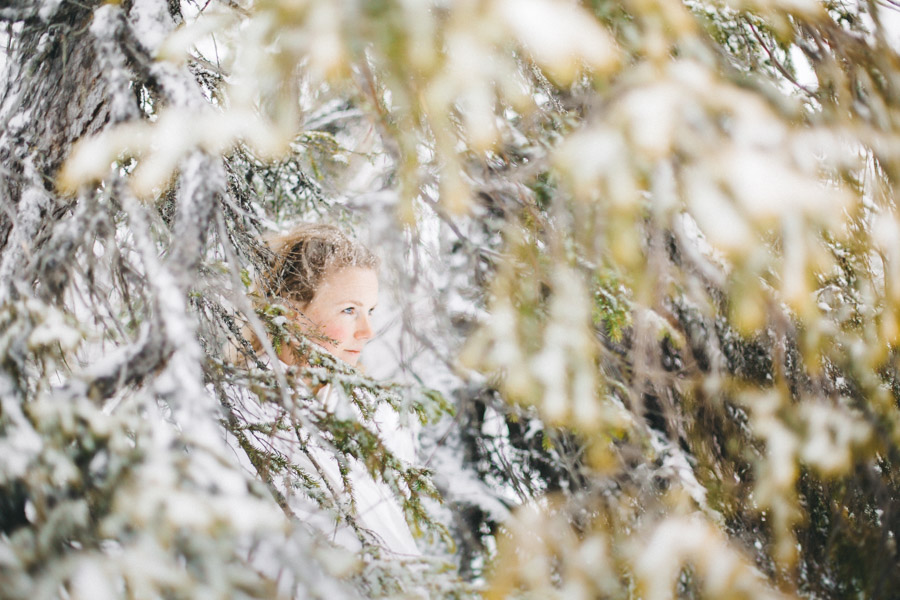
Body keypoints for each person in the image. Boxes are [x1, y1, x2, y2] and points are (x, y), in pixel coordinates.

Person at [226, 223, 421, 558]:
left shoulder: (378, 411)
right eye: (349, 310)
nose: (367, 331)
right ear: (288, 311)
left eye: (369, 311)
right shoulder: (235, 411)